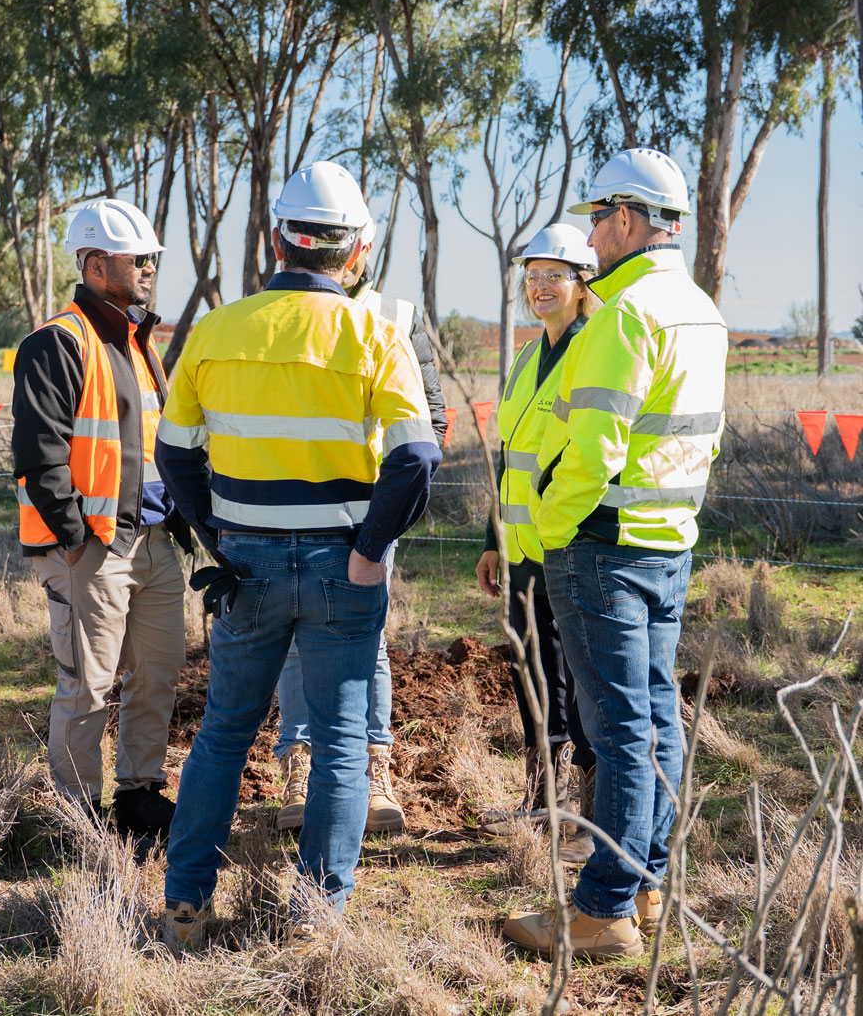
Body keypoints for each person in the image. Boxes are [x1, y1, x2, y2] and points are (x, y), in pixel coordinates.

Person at [155, 160, 442, 946]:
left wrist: (219, 537)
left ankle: (185, 907)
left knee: (223, 734)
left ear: (277, 239)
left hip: (244, 567)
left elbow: (174, 455)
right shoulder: (375, 333)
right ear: (357, 252)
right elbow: (417, 456)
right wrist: (372, 548)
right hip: (339, 568)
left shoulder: (215, 330)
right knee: (343, 743)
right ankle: (316, 922)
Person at [502, 148, 727, 959]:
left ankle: (601, 910)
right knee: (656, 721)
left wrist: (549, 533)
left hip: (601, 547)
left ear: (629, 220)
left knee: (622, 729)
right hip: (667, 542)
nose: (591, 235)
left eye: (598, 219)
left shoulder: (624, 313)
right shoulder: (700, 309)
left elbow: (592, 454)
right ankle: (650, 882)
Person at [12, 198, 191, 842]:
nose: (148, 267)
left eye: (149, 258)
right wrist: (75, 539)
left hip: (154, 542)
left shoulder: (140, 345)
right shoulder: (56, 342)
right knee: (87, 687)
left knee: (157, 677)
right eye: (134, 258)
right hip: (93, 547)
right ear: (93, 265)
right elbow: (40, 453)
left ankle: (139, 796)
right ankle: (79, 816)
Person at [273, 214, 447, 836]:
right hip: (289, 505)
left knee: (367, 642)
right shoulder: (283, 308)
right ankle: (299, 763)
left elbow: (431, 420)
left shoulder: (396, 315)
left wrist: (393, 513)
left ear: (363, 247)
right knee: (295, 640)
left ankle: (375, 769)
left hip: (368, 512)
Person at [475, 224, 597, 857]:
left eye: (556, 275)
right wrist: (492, 537)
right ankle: (543, 794)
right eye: (533, 275)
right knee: (533, 669)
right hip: (521, 548)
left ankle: (583, 809)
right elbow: (510, 454)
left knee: (577, 672)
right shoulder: (527, 355)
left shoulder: (591, 350)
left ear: (583, 283)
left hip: (571, 544)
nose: (541, 287)